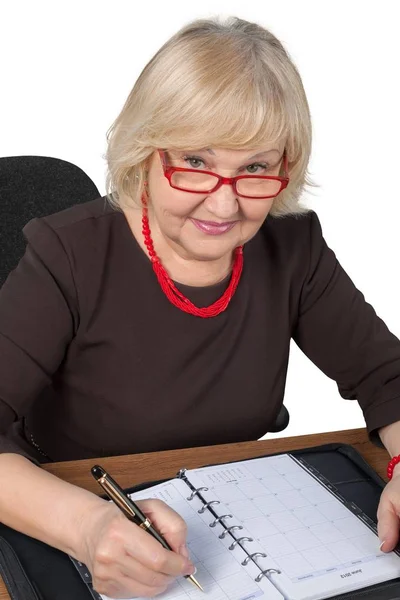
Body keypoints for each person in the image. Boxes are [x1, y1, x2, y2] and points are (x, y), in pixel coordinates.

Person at [1, 15, 400, 599]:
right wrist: (87, 527)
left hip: (243, 514)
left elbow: (385, 375)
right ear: (145, 152)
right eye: (194, 161)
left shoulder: (294, 247)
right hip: (79, 510)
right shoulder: (67, 255)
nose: (225, 201)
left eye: (256, 168)